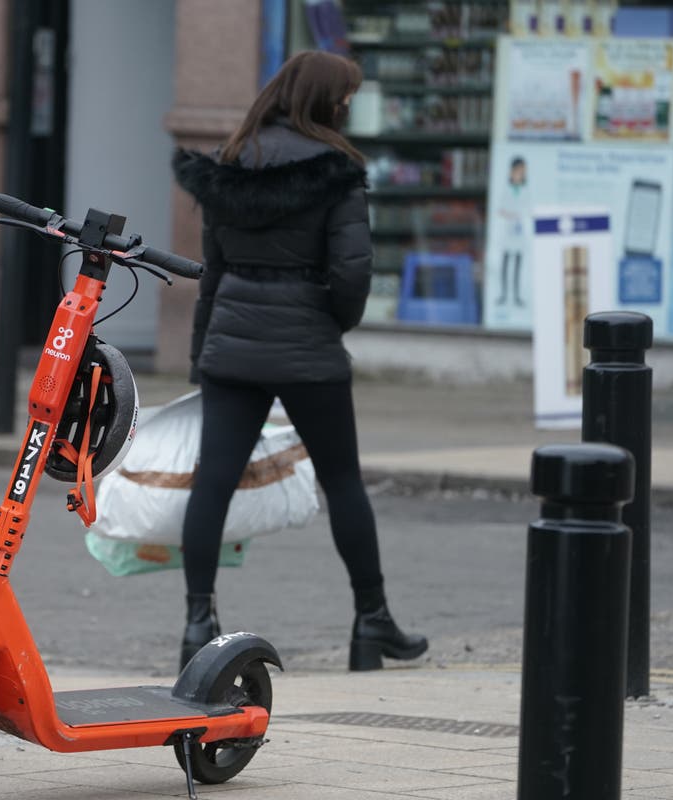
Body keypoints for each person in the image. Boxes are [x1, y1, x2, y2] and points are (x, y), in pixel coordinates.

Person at [171, 51, 428, 672]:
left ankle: (197, 620)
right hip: (308, 347)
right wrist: (330, 322)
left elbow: (213, 273)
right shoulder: (336, 170)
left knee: (213, 483)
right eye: (345, 97)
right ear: (326, 101)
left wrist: (204, 351)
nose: (348, 107)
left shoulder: (229, 163)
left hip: (231, 347)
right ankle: (371, 622)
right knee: (342, 482)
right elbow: (352, 273)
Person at [496, 156, 528, 307]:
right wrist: (512, 215)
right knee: (505, 263)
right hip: (508, 230)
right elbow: (501, 209)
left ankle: (516, 296)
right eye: (518, 171)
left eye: (522, 172)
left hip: (520, 232)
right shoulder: (506, 189)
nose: (520, 174)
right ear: (511, 172)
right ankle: (503, 294)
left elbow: (528, 208)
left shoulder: (525, 190)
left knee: (517, 265)